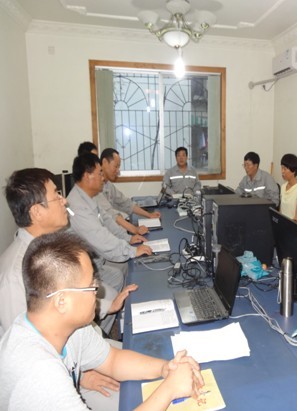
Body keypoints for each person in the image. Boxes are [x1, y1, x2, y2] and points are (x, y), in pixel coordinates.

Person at [0, 231, 204, 410]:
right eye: (91, 286)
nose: (97, 292)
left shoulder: (64, 326)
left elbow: (112, 360)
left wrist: (165, 368)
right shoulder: (38, 374)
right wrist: (169, 389)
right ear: (62, 301)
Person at [0, 168, 136, 409]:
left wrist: (108, 306)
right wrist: (82, 378)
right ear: (36, 211)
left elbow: (76, 290)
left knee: (138, 358)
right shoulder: (14, 275)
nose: (64, 201)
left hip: (82, 350)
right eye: (57, 195)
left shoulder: (52, 246)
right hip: (55, 378)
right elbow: (25, 350)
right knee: (134, 395)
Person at [67, 154, 152, 331]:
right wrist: (132, 251)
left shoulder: (88, 198)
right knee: (113, 293)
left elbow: (107, 221)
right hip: (79, 273)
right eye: (99, 173)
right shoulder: (76, 205)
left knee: (120, 274)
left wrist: (128, 238)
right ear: (87, 175)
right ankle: (100, 334)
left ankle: (112, 324)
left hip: (95, 262)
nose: (103, 177)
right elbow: (101, 238)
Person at [100, 148, 161, 235]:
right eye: (116, 166)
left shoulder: (108, 185)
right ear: (105, 162)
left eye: (118, 167)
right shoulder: (95, 188)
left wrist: (149, 215)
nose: (118, 171)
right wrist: (135, 230)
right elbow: (111, 214)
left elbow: (126, 203)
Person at [279, 154, 297, 219]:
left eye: (285, 169)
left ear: (293, 171)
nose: (282, 171)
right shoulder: (283, 186)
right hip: (283, 223)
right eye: (281, 168)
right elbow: (281, 212)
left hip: (293, 224)